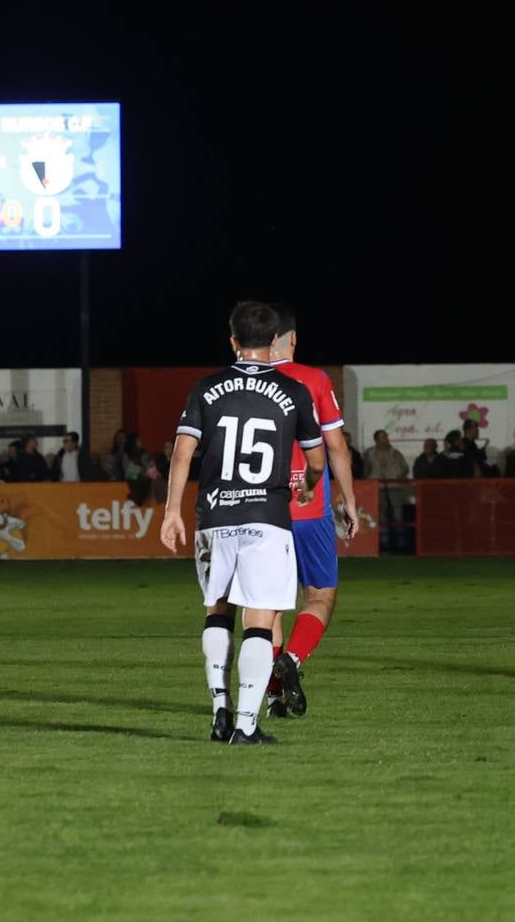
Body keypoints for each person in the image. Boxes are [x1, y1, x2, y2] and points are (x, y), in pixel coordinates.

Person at [158, 299, 328, 745]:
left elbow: (181, 452)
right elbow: (316, 457)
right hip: (266, 519)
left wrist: (171, 510)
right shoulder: (293, 392)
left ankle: (219, 712)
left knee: (218, 610)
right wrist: (309, 483)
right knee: (259, 619)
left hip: (214, 517)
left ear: (232, 340)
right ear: (274, 342)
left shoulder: (206, 388)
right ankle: (247, 726)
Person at [241, 306, 363, 719]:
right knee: (320, 595)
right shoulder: (313, 379)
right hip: (308, 508)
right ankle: (292, 660)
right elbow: (336, 446)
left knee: (265, 606)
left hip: (259, 509)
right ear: (290, 338)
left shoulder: (239, 385)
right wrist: (348, 499)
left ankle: (272, 695)